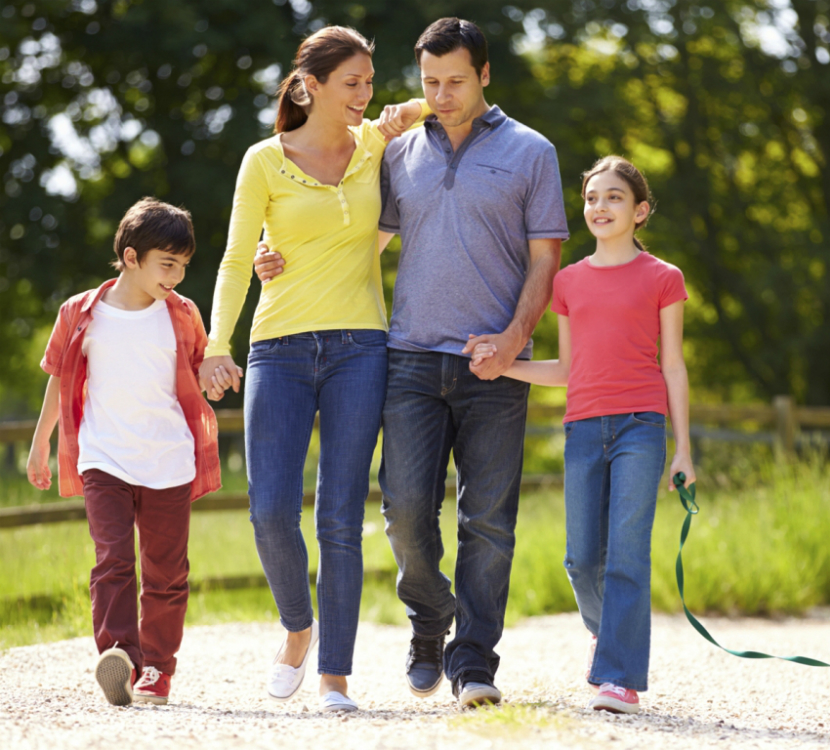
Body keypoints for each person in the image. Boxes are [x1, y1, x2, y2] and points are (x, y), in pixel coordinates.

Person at [253, 18, 569, 708]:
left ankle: (474, 662)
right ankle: (430, 616)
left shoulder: (531, 152)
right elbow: (360, 241)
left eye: (456, 80)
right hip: (409, 358)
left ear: (485, 75)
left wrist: (515, 339)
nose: (443, 94)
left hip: (497, 365)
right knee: (402, 513)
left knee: (488, 521)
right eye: (430, 82)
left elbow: (547, 257)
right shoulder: (396, 155)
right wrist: (274, 260)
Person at [198, 26, 427, 713]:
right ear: (311, 86)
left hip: (362, 347)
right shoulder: (264, 160)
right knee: (270, 511)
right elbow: (239, 259)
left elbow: (441, 100)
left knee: (338, 518)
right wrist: (217, 342)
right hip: (279, 349)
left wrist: (403, 112)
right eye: (352, 82)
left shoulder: (375, 145)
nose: (366, 93)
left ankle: (335, 677)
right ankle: (298, 626)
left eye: (370, 80)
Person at [472, 156, 696, 714]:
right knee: (580, 559)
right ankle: (608, 635)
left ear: (640, 211)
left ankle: (618, 678)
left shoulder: (664, 277)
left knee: (626, 554)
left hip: (641, 429)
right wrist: (505, 363)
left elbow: (673, 366)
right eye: (593, 197)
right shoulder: (568, 282)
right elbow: (565, 371)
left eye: (614, 197)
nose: (600, 206)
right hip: (582, 428)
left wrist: (683, 449)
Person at [26, 198, 221, 707]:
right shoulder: (81, 313)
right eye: (168, 264)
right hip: (103, 457)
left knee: (166, 571)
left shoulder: (182, 315)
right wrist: (40, 444)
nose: (176, 276)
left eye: (183, 266)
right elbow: (58, 380)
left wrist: (216, 375)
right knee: (112, 559)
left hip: (168, 460)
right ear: (132, 257)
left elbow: (201, 369)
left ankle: (156, 668)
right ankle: (119, 655)